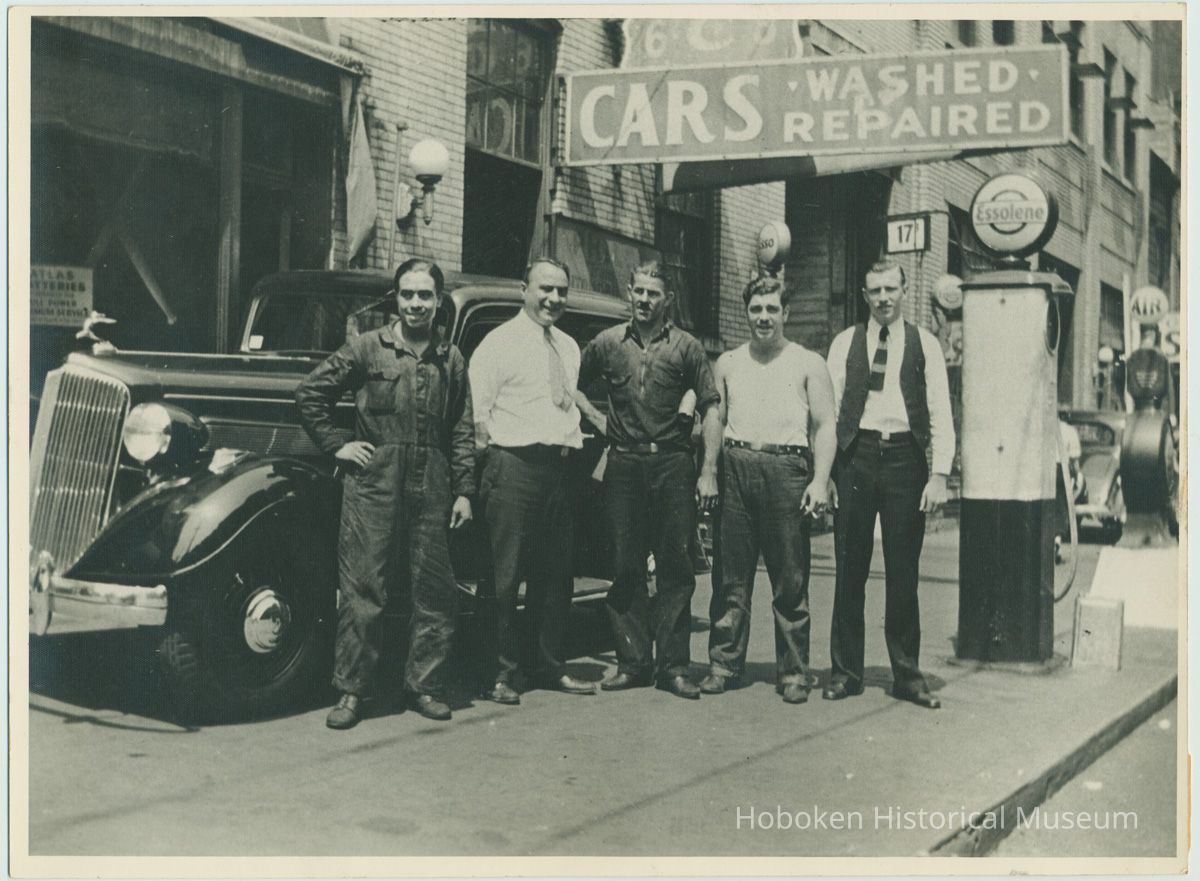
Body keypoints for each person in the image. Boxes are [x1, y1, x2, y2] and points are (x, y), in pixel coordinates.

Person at [296, 258, 475, 729]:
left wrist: (464, 492)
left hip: (432, 482)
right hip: (374, 484)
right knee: (363, 589)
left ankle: (424, 686)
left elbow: (460, 428)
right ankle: (352, 692)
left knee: (434, 591)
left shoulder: (450, 358)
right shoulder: (366, 349)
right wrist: (339, 446)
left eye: (425, 296)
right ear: (396, 299)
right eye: (407, 294)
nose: (416, 304)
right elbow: (310, 394)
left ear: (439, 302)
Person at [575, 260, 721, 700]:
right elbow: (571, 384)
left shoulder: (687, 347)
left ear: (667, 300)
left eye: (653, 294)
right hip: (623, 464)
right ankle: (633, 662)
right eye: (638, 292)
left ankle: (673, 668)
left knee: (675, 568)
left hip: (673, 464)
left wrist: (708, 470)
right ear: (629, 292)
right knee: (624, 564)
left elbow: (712, 406)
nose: (644, 300)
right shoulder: (607, 343)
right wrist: (597, 418)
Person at [698, 275, 836, 704]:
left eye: (771, 309)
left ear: (786, 313)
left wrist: (819, 479)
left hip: (787, 468)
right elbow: (713, 420)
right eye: (756, 309)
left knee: (790, 578)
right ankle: (724, 663)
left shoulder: (809, 362)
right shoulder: (728, 363)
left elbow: (825, 424)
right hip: (736, 465)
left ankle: (794, 672)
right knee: (730, 577)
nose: (763, 317)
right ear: (747, 313)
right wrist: (709, 471)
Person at [824, 260, 955, 710]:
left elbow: (940, 411)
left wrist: (939, 475)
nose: (883, 298)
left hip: (905, 460)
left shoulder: (925, 345)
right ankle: (846, 672)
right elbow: (827, 413)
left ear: (904, 291)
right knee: (850, 570)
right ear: (864, 294)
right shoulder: (844, 343)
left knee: (903, 572)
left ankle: (907, 675)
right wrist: (825, 474)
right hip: (855, 458)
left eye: (890, 289)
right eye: (874, 290)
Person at [469, 257, 597, 705]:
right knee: (503, 579)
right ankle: (499, 673)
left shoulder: (568, 346)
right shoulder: (497, 344)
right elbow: (478, 416)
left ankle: (548, 665)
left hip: (558, 471)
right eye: (544, 289)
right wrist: (486, 475)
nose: (553, 299)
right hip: (512, 468)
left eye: (561, 291)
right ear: (523, 289)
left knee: (555, 575)